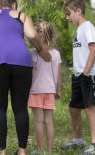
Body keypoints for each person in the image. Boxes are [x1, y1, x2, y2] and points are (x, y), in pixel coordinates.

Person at [0, 0, 50, 155]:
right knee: (20, 108)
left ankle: (2, 152)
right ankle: (22, 151)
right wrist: (41, 49)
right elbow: (32, 34)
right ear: (14, 5)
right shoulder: (21, 15)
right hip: (21, 63)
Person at [60, 0, 95, 155]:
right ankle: (78, 141)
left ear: (78, 11)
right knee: (73, 108)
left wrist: (85, 72)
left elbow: (93, 50)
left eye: (69, 13)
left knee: (90, 108)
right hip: (79, 75)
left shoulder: (88, 27)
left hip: (89, 74)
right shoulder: (79, 29)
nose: (67, 17)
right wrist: (79, 73)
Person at [28, 21, 62, 154]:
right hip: (50, 91)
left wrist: (27, 89)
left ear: (41, 33)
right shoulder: (56, 54)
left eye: (37, 31)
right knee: (49, 121)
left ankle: (39, 149)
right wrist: (58, 90)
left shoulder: (34, 53)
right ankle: (49, 151)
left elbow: (33, 73)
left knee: (38, 121)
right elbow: (58, 75)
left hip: (36, 90)